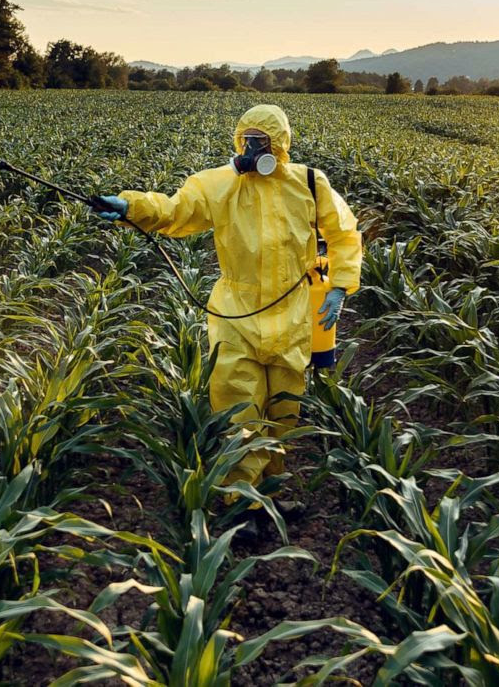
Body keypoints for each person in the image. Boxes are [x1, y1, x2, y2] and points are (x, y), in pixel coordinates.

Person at [94, 104, 362, 511]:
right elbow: (175, 210)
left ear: (281, 144)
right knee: (241, 413)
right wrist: (132, 208)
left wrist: (340, 286)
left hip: (292, 316)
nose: (255, 148)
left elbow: (343, 233)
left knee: (284, 413)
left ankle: (268, 495)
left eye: (263, 141)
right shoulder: (219, 185)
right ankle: (243, 505)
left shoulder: (310, 183)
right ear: (239, 142)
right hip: (236, 315)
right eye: (248, 140)